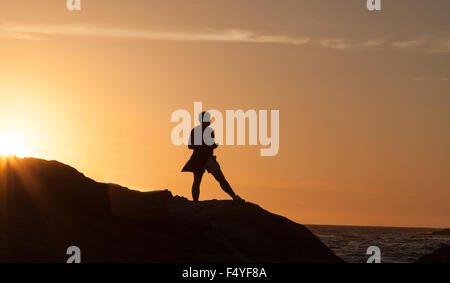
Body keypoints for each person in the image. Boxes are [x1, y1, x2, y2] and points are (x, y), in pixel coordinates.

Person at [182, 112, 244, 203]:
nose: (209, 121)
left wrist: (206, 146)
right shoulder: (207, 131)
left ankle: (195, 203)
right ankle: (234, 197)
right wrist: (209, 146)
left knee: (197, 181)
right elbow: (196, 146)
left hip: (199, 158)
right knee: (220, 179)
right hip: (205, 158)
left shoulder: (196, 130)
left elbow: (191, 146)